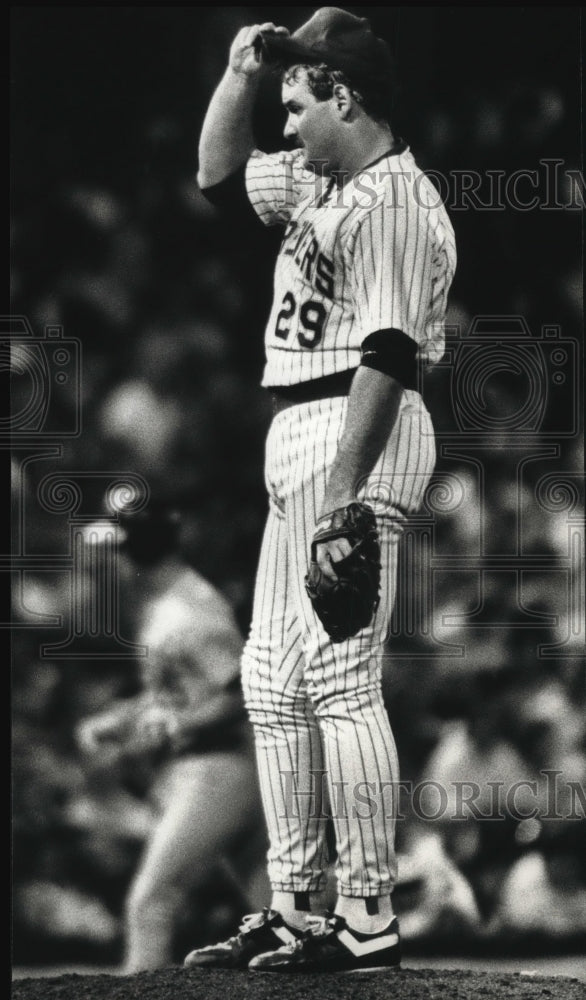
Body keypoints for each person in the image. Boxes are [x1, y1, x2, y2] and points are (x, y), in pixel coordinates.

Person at [184, 7, 456, 973]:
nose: (284, 123)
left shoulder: (390, 199)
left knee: (340, 680)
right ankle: (298, 904)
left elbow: (387, 353)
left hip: (358, 427)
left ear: (346, 96)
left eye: (297, 103)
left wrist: (343, 494)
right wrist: (239, 75)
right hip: (302, 428)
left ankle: (369, 914)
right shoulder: (319, 178)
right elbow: (217, 179)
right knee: (270, 679)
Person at [76, 503, 268, 971]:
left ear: (132, 554)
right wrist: (122, 717)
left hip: (220, 770)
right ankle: (404, 904)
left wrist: (176, 728)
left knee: (152, 900)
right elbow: (178, 693)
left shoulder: (190, 611)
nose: (109, 563)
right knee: (283, 910)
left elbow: (243, 695)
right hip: (210, 769)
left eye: (114, 551)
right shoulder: (167, 604)